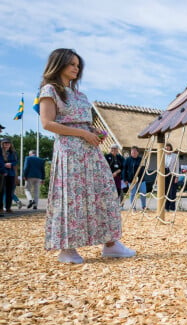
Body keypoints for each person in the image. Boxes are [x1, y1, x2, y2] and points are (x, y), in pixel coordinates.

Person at [39, 48, 136, 264]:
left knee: (105, 191)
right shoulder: (50, 90)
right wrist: (82, 133)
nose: (76, 68)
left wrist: (95, 132)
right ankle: (67, 248)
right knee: (71, 197)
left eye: (78, 65)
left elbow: (86, 122)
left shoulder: (80, 95)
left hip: (90, 150)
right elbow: (47, 123)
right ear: (59, 64)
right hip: (69, 150)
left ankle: (110, 243)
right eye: (72, 64)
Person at [122, 146, 147, 210]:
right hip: (131, 180)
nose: (133, 152)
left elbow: (144, 169)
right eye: (132, 151)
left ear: (138, 152)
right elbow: (124, 169)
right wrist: (125, 179)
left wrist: (141, 177)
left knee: (143, 192)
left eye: (135, 151)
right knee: (132, 194)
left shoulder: (141, 159)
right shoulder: (128, 160)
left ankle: (144, 206)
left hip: (141, 179)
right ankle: (133, 207)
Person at [0, 138, 18, 213]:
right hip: (2, 173)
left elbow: (16, 161)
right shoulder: (0, 152)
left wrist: (11, 164)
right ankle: (0, 208)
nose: (6, 144)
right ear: (2, 144)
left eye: (8, 143)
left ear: (10, 144)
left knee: (10, 191)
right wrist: (4, 165)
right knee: (1, 191)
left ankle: (8, 207)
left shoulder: (13, 152)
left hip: (11, 173)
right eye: (5, 143)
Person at [164, 143, 179, 211]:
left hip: (172, 174)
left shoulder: (175, 156)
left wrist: (176, 176)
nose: (167, 148)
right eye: (166, 147)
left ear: (170, 148)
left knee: (172, 191)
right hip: (164, 173)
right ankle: (166, 207)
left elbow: (177, 167)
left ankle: (172, 207)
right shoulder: (163, 156)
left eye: (168, 147)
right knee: (165, 191)